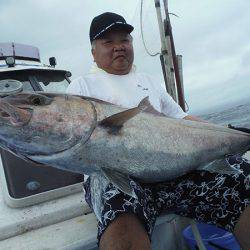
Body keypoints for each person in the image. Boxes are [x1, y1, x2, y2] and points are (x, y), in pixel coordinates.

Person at [67, 12, 250, 250]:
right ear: (93, 52)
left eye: (124, 40)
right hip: (117, 176)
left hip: (175, 172)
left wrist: (228, 134)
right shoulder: (82, 88)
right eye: (108, 42)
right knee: (121, 218)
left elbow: (184, 120)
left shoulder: (149, 81)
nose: (118, 47)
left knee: (240, 175)